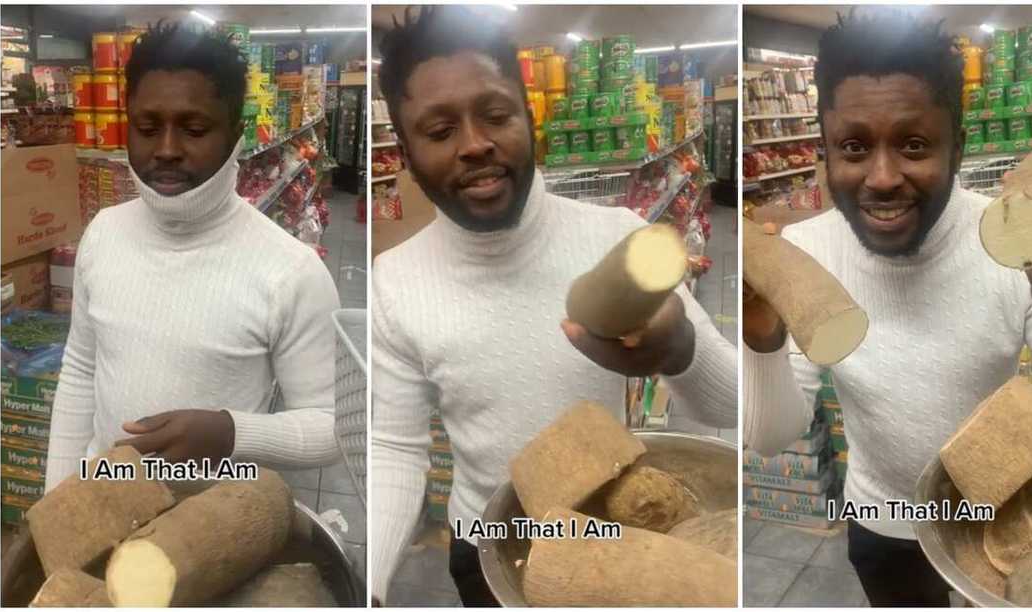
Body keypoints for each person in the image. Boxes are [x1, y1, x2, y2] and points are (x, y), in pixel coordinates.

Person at [372, 6, 737, 606]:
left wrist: (682, 351)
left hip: (611, 540)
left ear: (529, 119)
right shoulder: (396, 281)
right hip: (488, 540)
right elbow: (394, 445)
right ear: (406, 154)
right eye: (439, 132)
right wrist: (376, 588)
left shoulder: (613, 239)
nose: (476, 145)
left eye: (496, 116)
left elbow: (728, 404)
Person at [743, 10, 1032, 607]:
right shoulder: (806, 254)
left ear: (956, 147)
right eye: (854, 146)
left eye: (914, 144)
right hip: (882, 521)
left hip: (1000, 515)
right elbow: (768, 437)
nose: (882, 178)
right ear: (827, 152)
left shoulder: (1016, 244)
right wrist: (761, 345)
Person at [45, 22, 341, 492]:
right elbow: (81, 371)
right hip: (107, 504)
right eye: (147, 128)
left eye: (195, 129)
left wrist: (231, 433)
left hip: (213, 537)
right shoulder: (103, 235)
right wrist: (56, 502)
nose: (166, 150)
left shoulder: (290, 272)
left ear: (235, 135)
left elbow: (334, 426)